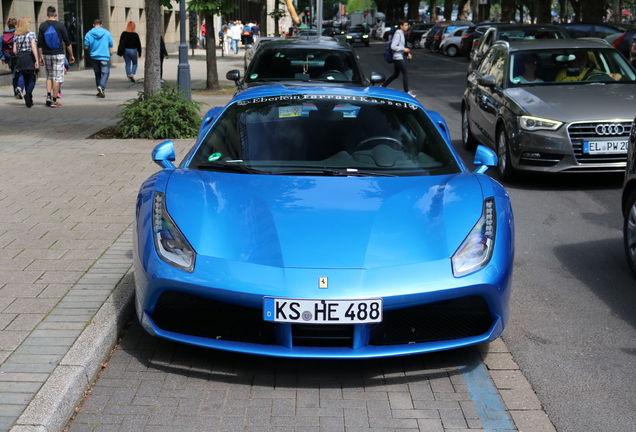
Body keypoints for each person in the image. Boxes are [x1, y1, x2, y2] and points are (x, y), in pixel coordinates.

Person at [37, 5, 75, 108]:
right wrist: (71, 55)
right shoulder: (60, 26)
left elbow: (39, 44)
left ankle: (48, 96)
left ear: (47, 14)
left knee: (49, 76)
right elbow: (67, 42)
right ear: (56, 14)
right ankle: (54, 100)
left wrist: (40, 57)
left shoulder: (43, 26)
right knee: (57, 78)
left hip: (47, 54)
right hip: (58, 54)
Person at [381, 20, 415, 97]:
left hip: (399, 56)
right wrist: (403, 49)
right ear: (401, 26)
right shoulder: (398, 34)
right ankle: (406, 92)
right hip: (397, 57)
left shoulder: (401, 34)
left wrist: (407, 53)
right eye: (406, 25)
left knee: (396, 74)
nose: (407, 27)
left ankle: (383, 86)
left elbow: (401, 46)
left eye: (407, 25)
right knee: (405, 73)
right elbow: (393, 46)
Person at [12, 17, 38, 108]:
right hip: (29, 57)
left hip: (20, 57)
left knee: (21, 74)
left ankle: (20, 88)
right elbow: (34, 48)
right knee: (31, 77)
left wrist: (18, 54)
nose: (30, 24)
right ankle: (28, 94)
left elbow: (14, 50)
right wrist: (37, 60)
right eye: (29, 22)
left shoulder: (16, 35)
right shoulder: (31, 34)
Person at [84, 19, 113, 98]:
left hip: (94, 56)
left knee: (97, 73)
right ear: (101, 24)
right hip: (104, 56)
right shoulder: (107, 33)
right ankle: (101, 87)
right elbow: (111, 44)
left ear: (93, 25)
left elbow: (86, 46)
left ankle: (100, 90)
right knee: (105, 73)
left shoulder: (88, 34)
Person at [555, 51, 621, 82]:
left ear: (587, 60)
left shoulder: (594, 72)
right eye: (577, 57)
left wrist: (613, 81)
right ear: (572, 60)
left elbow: (617, 75)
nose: (580, 61)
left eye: (583, 57)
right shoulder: (563, 74)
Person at [1, 18, 22, 99]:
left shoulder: (3, 35)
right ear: (16, 25)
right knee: (20, 72)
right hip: (18, 55)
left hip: (9, 56)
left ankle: (15, 93)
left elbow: (1, 47)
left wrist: (2, 57)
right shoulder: (18, 34)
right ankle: (19, 88)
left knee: (14, 73)